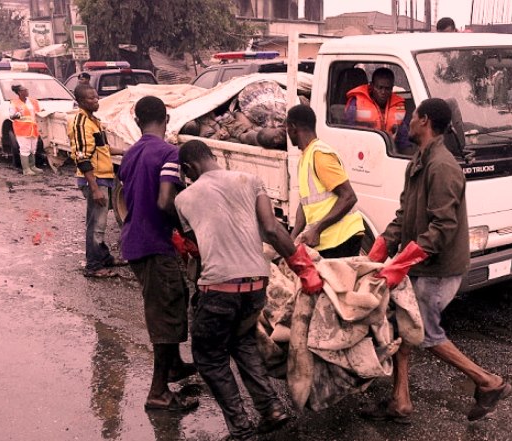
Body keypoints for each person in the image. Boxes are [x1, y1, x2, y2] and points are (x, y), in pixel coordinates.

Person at [362, 98, 512, 423]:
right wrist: (381, 248)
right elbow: (404, 215)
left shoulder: (442, 166)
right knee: (405, 330)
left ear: (425, 121)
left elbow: (443, 227)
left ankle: (488, 381)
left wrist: (401, 262)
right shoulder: (418, 161)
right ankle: (400, 402)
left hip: (439, 270)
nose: (408, 122)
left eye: (412, 117)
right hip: (422, 265)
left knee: (424, 333)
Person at [175, 139, 323, 441]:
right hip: (257, 285)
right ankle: (270, 409)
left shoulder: (184, 198)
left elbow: (199, 250)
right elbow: (271, 229)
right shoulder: (251, 180)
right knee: (241, 342)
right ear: (212, 156)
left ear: (189, 168)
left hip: (219, 289)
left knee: (210, 357)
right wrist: (302, 268)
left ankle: (241, 428)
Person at [118, 96, 199, 412]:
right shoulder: (168, 153)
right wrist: (186, 232)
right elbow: (166, 201)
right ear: (167, 118)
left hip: (134, 241)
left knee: (172, 297)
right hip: (154, 243)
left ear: (138, 122)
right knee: (164, 313)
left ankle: (175, 365)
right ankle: (158, 392)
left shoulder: (131, 153)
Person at [287, 104, 365, 258]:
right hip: (329, 240)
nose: (287, 134)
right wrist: (292, 238)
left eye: (287, 129)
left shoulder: (320, 155)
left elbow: (348, 197)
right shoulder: (305, 157)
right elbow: (305, 203)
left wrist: (317, 229)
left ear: (294, 127)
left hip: (343, 238)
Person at [68, 84, 127, 278]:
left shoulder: (94, 121)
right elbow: (82, 157)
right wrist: (94, 188)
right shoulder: (81, 124)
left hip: (105, 177)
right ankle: (93, 266)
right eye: (91, 99)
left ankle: (104, 257)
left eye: (96, 97)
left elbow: (104, 148)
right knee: (96, 225)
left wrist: (126, 152)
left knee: (99, 222)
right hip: (95, 179)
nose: (96, 101)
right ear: (81, 102)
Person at [344, 68, 410, 149]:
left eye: (387, 88)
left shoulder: (398, 107)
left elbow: (404, 139)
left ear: (392, 88)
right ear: (372, 86)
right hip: (363, 149)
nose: (383, 92)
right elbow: (348, 134)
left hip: (391, 151)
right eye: (380, 88)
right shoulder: (356, 104)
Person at [10, 84, 43, 175]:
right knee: (25, 149)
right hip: (22, 130)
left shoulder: (33, 102)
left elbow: (38, 113)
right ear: (20, 92)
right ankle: (26, 169)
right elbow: (11, 116)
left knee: (33, 148)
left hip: (34, 129)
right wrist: (17, 115)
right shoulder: (15, 103)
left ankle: (32, 166)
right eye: (25, 90)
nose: (27, 91)